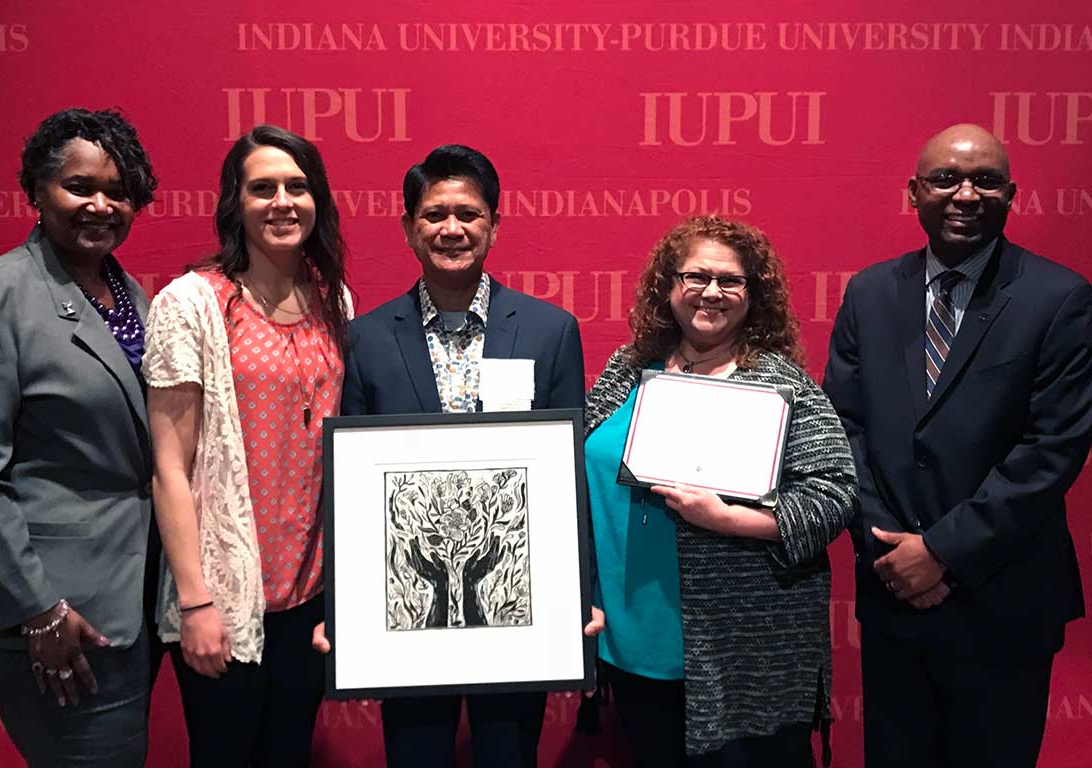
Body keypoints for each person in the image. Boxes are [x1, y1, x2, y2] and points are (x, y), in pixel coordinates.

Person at [822, 123, 1092, 768]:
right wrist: (891, 550)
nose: (965, 194)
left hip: (1002, 603)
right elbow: (843, 432)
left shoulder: (1060, 298)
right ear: (914, 192)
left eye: (985, 180)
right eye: (946, 179)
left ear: (1012, 195)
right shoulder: (869, 293)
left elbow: (1050, 451)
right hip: (894, 594)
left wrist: (943, 552)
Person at [337, 144, 602, 767]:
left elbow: (569, 477)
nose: (451, 229)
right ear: (408, 228)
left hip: (519, 596)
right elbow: (351, 491)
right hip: (407, 602)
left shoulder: (549, 331)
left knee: (510, 755)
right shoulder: (368, 340)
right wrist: (344, 605)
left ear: (493, 224)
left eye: (468, 213)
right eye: (433, 215)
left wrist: (580, 590)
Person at [0, 107, 160, 767]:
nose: (100, 205)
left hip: (130, 592)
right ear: (36, 190)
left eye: (118, 191)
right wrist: (39, 609)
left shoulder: (128, 296)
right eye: (80, 186)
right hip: (59, 612)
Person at [582, 216, 856, 767]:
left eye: (730, 281)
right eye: (696, 277)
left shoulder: (780, 384)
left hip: (742, 646)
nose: (711, 292)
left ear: (754, 294)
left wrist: (729, 519)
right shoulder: (628, 368)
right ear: (669, 285)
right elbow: (576, 468)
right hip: (632, 631)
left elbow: (836, 492)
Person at [143, 124, 351, 767]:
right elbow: (169, 470)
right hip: (223, 598)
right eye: (263, 188)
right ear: (236, 203)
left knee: (288, 754)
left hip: (307, 599)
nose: (282, 202)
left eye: (298, 186)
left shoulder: (333, 300)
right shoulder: (193, 303)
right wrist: (196, 601)